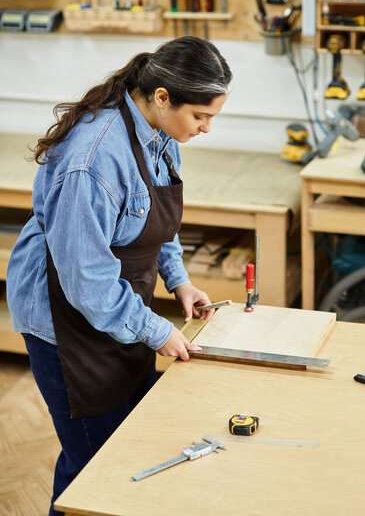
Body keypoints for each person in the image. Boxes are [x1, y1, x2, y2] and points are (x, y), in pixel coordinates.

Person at [6, 36, 232, 515]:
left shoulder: (158, 132)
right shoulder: (93, 160)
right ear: (163, 97)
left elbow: (153, 215)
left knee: (131, 444)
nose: (207, 128)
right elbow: (86, 282)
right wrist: (155, 329)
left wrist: (178, 281)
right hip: (66, 321)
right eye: (201, 116)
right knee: (94, 469)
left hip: (117, 310)